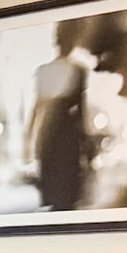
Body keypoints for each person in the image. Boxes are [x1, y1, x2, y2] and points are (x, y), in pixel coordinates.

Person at [27, 18, 93, 211]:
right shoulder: (78, 71)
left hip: (50, 139)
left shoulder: (44, 71)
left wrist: (31, 141)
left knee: (56, 197)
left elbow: (37, 109)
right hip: (65, 138)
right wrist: (87, 145)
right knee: (66, 197)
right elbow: (81, 112)